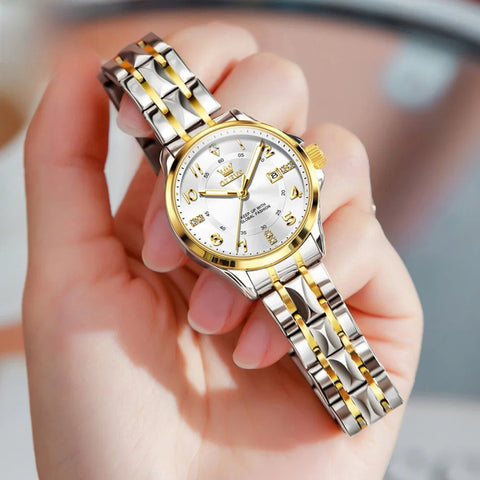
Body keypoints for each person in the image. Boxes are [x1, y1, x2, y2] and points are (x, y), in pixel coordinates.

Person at [22, 23, 422, 479]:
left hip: (277, 242)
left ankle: (358, 396)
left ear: (305, 163)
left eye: (245, 188)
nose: (241, 194)